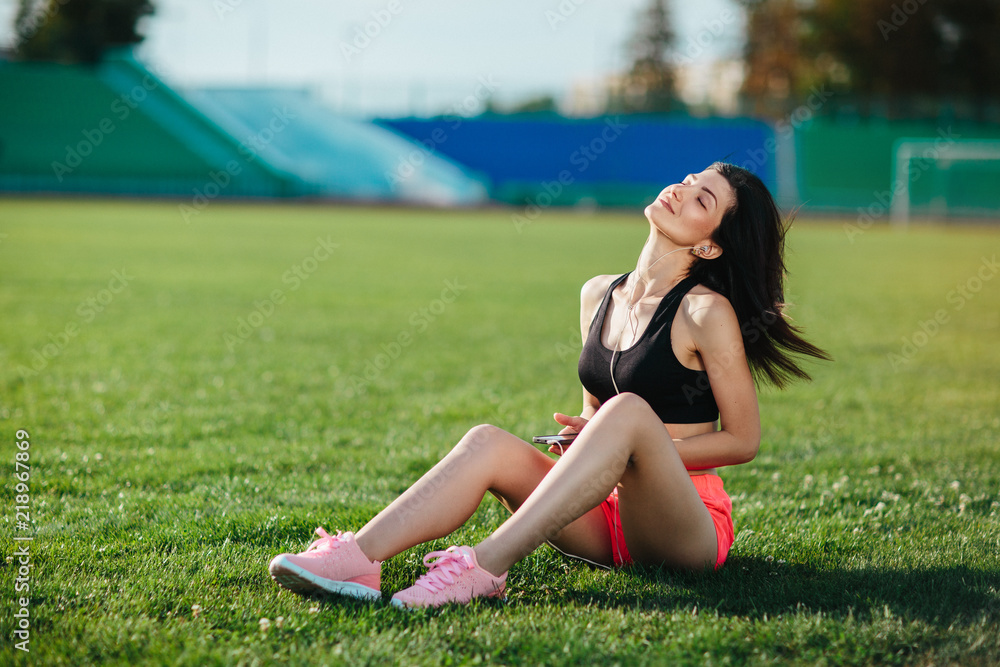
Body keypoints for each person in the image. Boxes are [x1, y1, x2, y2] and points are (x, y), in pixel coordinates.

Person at [268, 161, 829, 608]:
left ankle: (485, 566)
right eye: (688, 180)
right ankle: (359, 560)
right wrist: (585, 441)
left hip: (685, 529)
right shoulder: (598, 294)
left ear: (709, 247)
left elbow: (743, 441)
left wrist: (631, 450)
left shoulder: (706, 312)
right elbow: (597, 414)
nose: (680, 190)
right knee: (487, 440)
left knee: (630, 412)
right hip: (604, 516)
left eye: (701, 200)